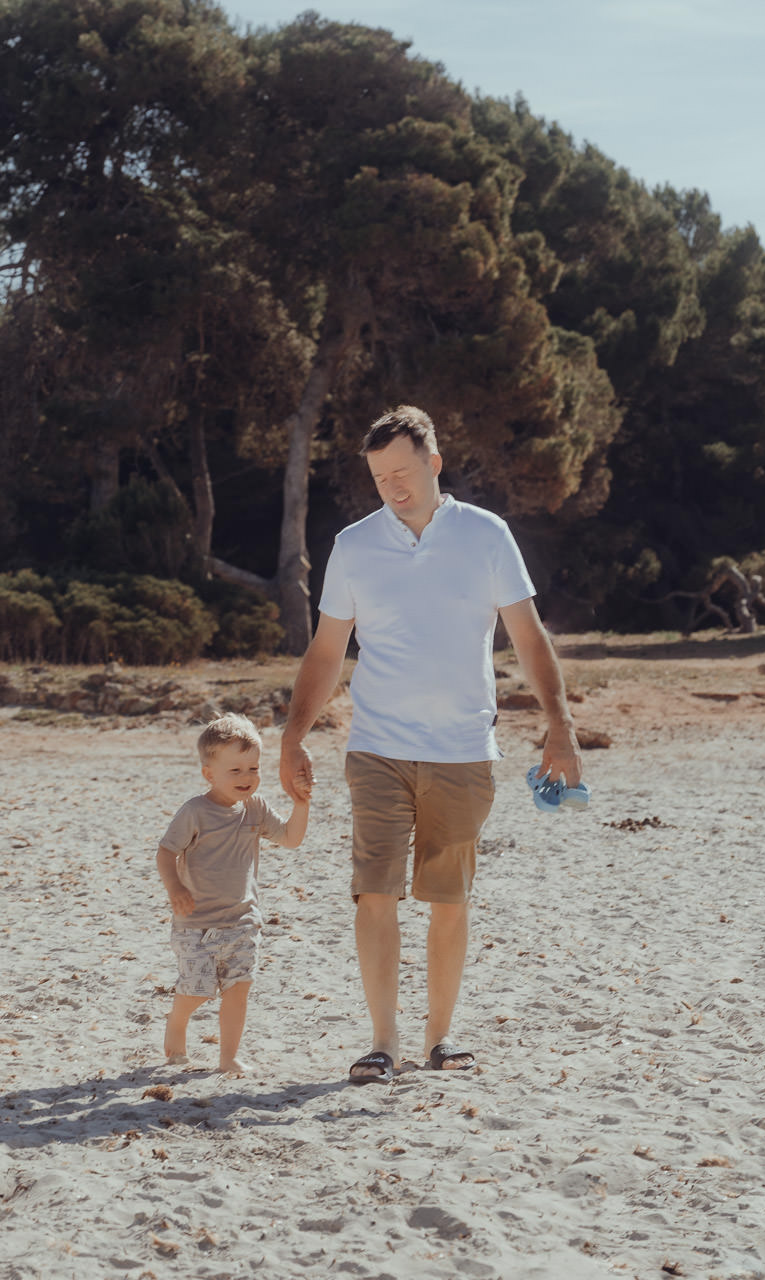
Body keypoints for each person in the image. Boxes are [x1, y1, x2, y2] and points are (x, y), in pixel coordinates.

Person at [279, 405, 582, 1083]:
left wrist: (559, 727)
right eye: (380, 477)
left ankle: (439, 1038)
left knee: (450, 898)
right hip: (378, 746)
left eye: (404, 472)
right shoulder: (354, 546)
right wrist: (292, 735)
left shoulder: (487, 536)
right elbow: (327, 652)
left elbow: (529, 637)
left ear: (434, 463)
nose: (393, 486)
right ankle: (382, 1042)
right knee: (374, 891)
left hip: (463, 749)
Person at [157, 713, 310, 1077]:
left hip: (243, 920)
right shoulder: (196, 811)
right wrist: (175, 888)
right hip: (196, 924)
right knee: (198, 991)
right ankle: (177, 1022)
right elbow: (166, 852)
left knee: (238, 990)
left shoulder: (255, 809)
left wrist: (301, 803)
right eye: (235, 770)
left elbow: (290, 839)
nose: (247, 778)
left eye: (253, 768)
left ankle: (229, 1058)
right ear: (209, 773)